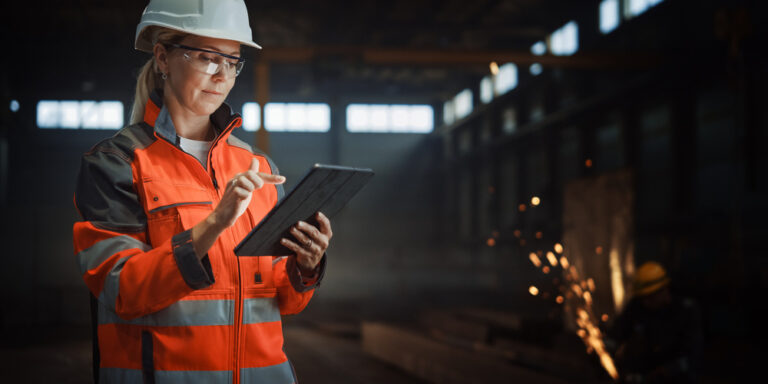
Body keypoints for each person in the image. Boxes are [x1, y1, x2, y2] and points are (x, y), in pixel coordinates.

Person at [72, 0, 330, 382]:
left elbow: (284, 299)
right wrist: (214, 225)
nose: (221, 75)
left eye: (232, 62)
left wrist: (305, 266)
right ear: (162, 58)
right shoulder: (117, 163)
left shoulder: (257, 167)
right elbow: (121, 288)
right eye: (207, 57)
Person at [606, 261, 703, 384]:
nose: (646, 302)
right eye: (643, 297)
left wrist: (664, 372)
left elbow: (694, 355)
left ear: (664, 290)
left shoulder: (686, 311)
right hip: (644, 370)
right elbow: (618, 331)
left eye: (650, 297)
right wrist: (604, 349)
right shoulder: (638, 306)